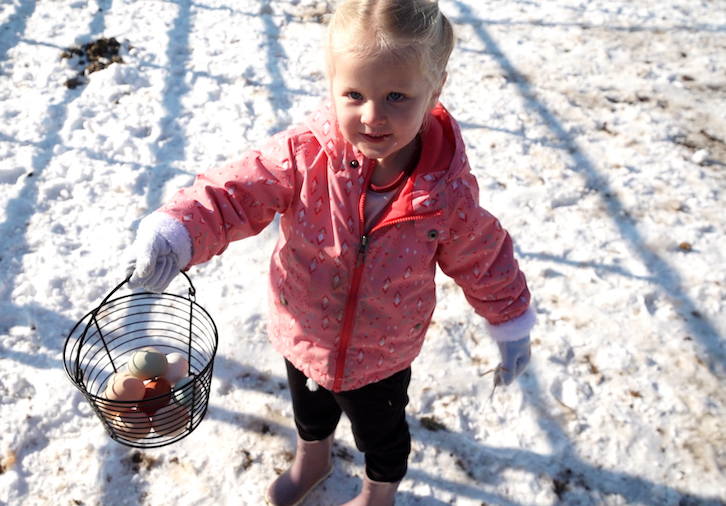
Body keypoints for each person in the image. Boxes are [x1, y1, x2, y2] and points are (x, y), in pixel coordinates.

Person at [123, 0, 535, 504]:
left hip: (382, 353)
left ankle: (376, 493)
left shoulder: (444, 195)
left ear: (435, 89)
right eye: (354, 93)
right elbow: (236, 192)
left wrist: (511, 322)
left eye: (397, 95)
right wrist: (178, 231)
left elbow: (484, 258)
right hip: (303, 330)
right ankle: (311, 457)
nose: (372, 115)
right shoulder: (305, 154)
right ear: (332, 84)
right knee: (310, 412)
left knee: (381, 437)